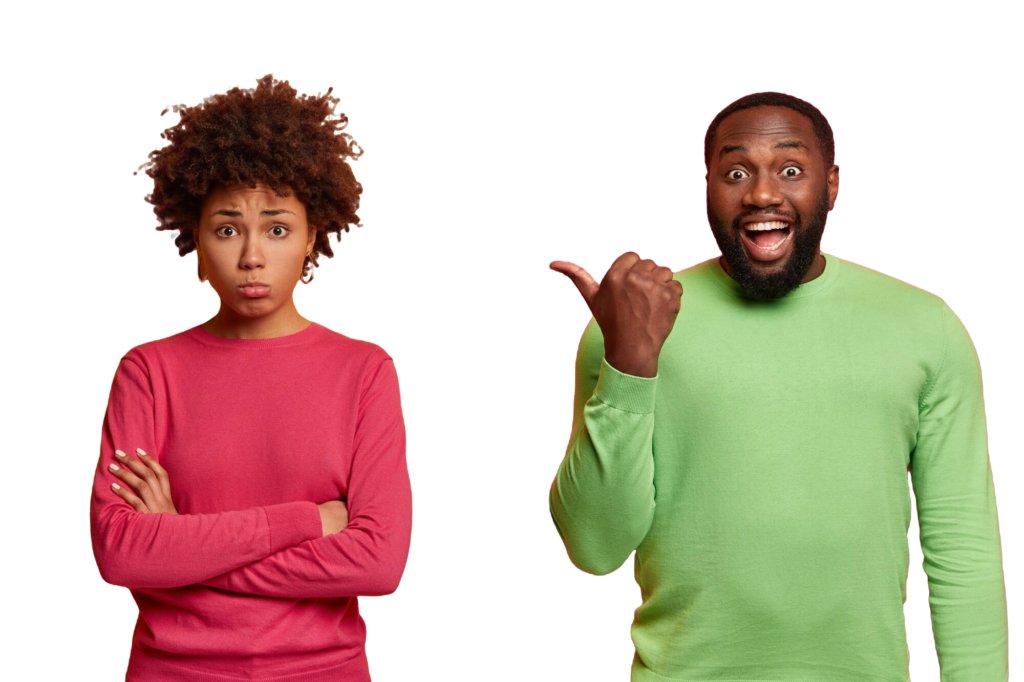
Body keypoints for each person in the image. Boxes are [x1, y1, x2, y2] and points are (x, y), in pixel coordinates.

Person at [547, 91, 1008, 679]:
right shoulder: (629, 326)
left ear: (833, 184)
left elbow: (962, 544)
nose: (762, 194)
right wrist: (629, 363)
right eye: (736, 172)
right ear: (707, 188)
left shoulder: (925, 326)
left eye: (790, 169)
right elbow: (593, 550)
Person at [90, 74, 412, 682]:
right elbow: (119, 553)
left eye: (278, 228)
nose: (252, 256)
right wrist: (308, 522)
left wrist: (182, 547)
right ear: (197, 244)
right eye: (228, 228)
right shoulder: (147, 371)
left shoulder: (366, 370)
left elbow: (378, 564)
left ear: (313, 238)